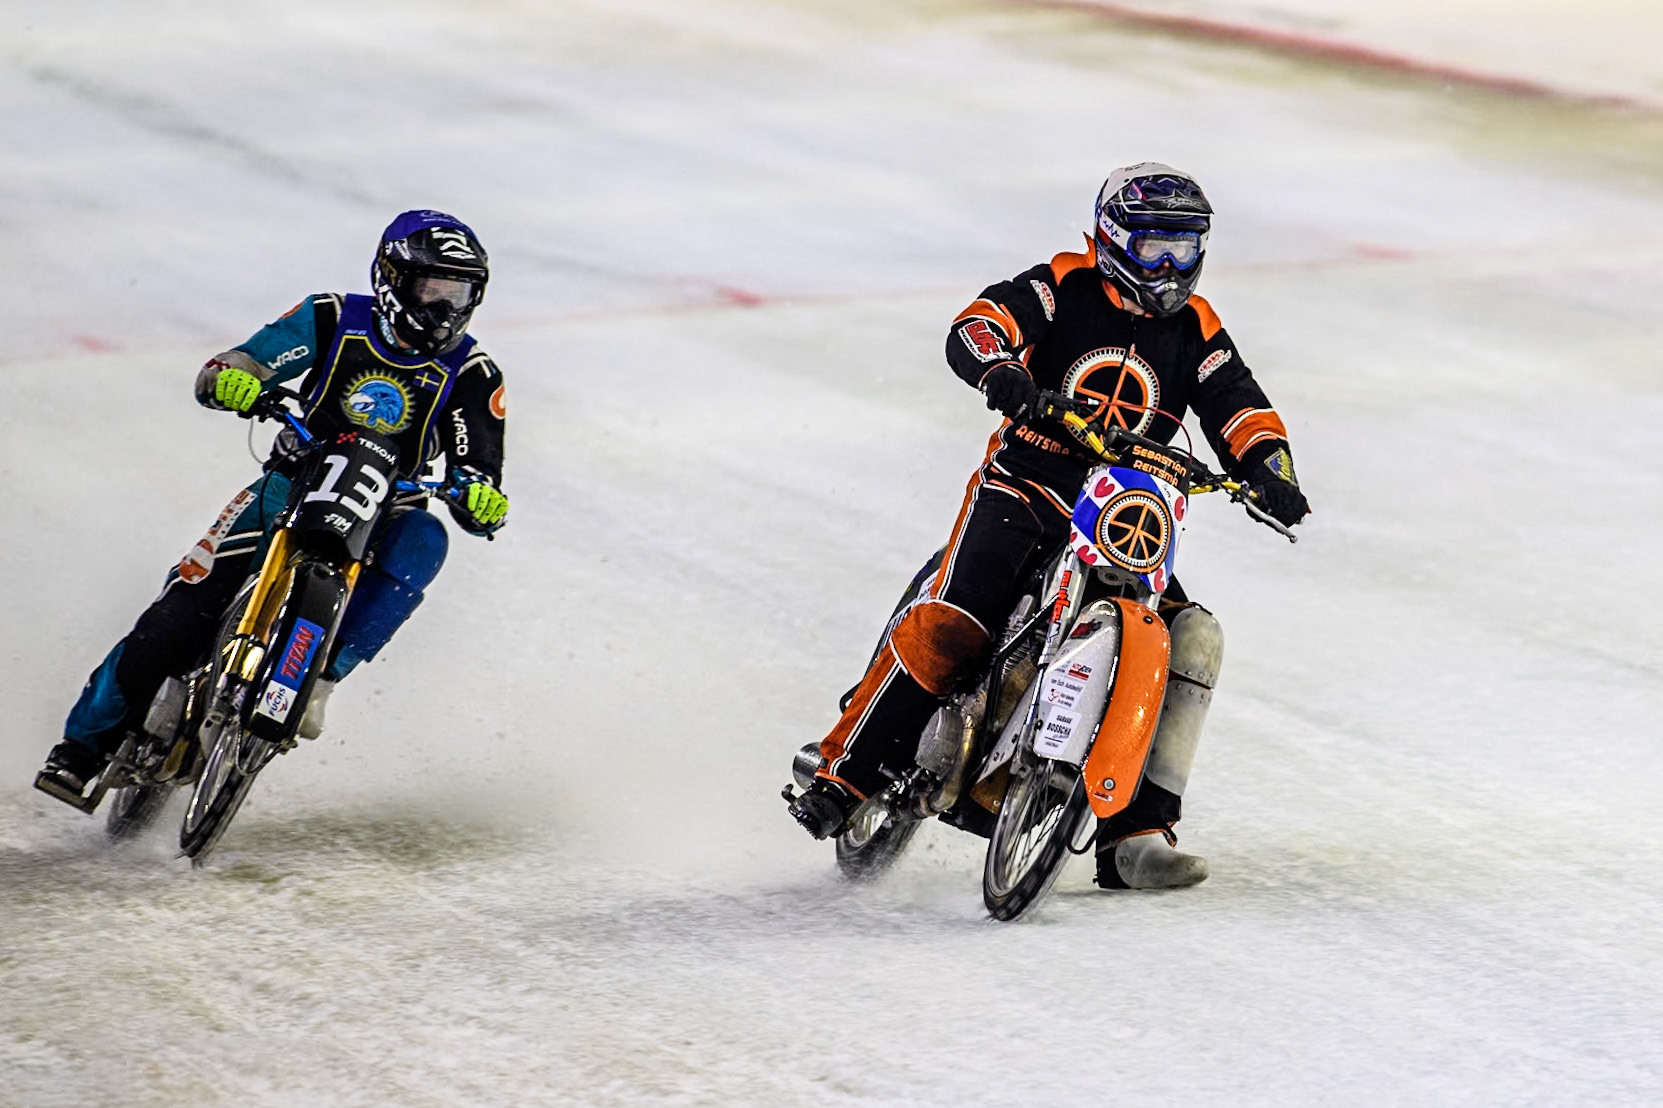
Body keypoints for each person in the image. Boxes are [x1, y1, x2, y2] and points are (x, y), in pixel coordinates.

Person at [788, 164, 1308, 889]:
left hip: (1123, 512)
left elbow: (1237, 402)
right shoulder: (1061, 287)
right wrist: (1001, 372)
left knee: (1192, 638)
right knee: (958, 620)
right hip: (1024, 485)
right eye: (1155, 247)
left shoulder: (1195, 328)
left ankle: (1135, 837)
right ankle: (844, 776)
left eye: (1183, 250)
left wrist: (1270, 467)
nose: (1168, 268)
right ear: (1114, 237)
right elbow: (977, 326)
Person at [36, 210, 510, 806]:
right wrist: (234, 379)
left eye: (459, 293)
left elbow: (479, 473)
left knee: (426, 539)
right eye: (431, 289)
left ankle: (325, 677)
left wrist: (482, 498)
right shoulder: (331, 317)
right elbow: (240, 363)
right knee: (175, 617)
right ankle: (81, 750)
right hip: (291, 486)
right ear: (392, 278)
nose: (444, 308)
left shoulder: (473, 372)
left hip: (386, 510)